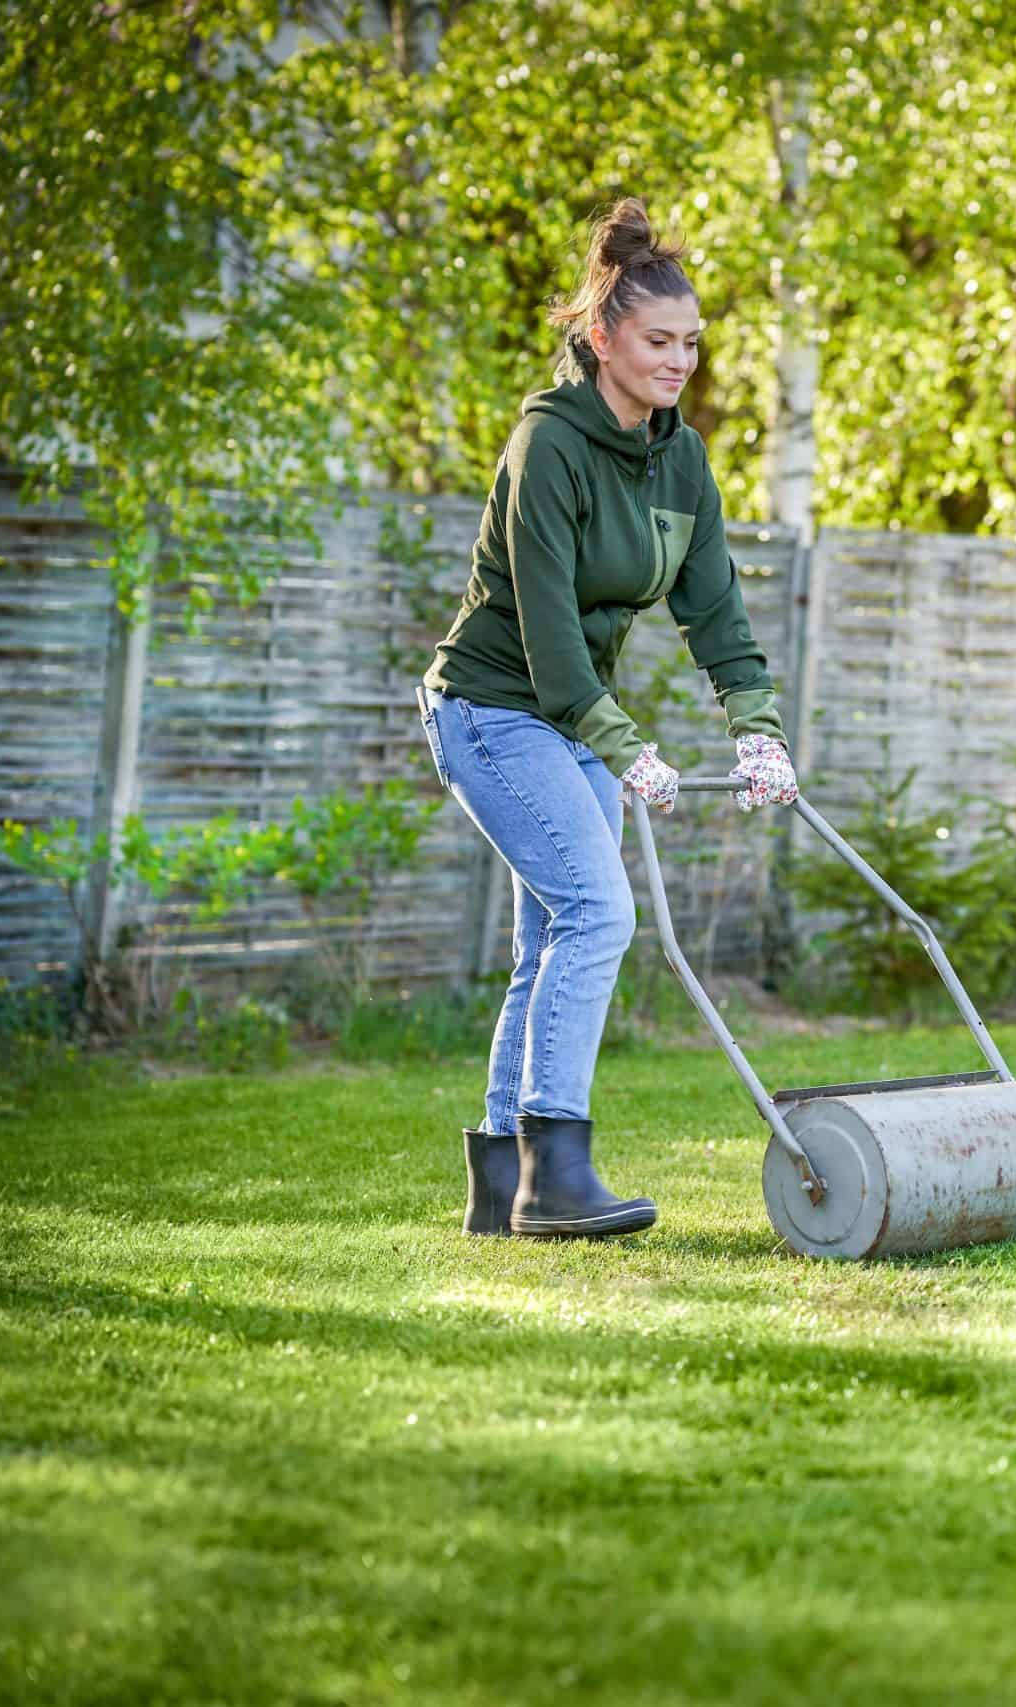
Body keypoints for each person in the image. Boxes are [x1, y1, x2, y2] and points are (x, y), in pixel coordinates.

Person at [415, 197, 799, 1240]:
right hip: (493, 710)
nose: (680, 361)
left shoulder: (681, 459)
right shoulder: (548, 446)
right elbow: (546, 638)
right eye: (659, 341)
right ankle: (556, 1174)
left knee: (551, 940)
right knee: (600, 915)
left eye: (692, 343)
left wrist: (755, 727)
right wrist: (629, 752)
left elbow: (712, 604)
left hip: (569, 719)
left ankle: (503, 1187)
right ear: (602, 341)